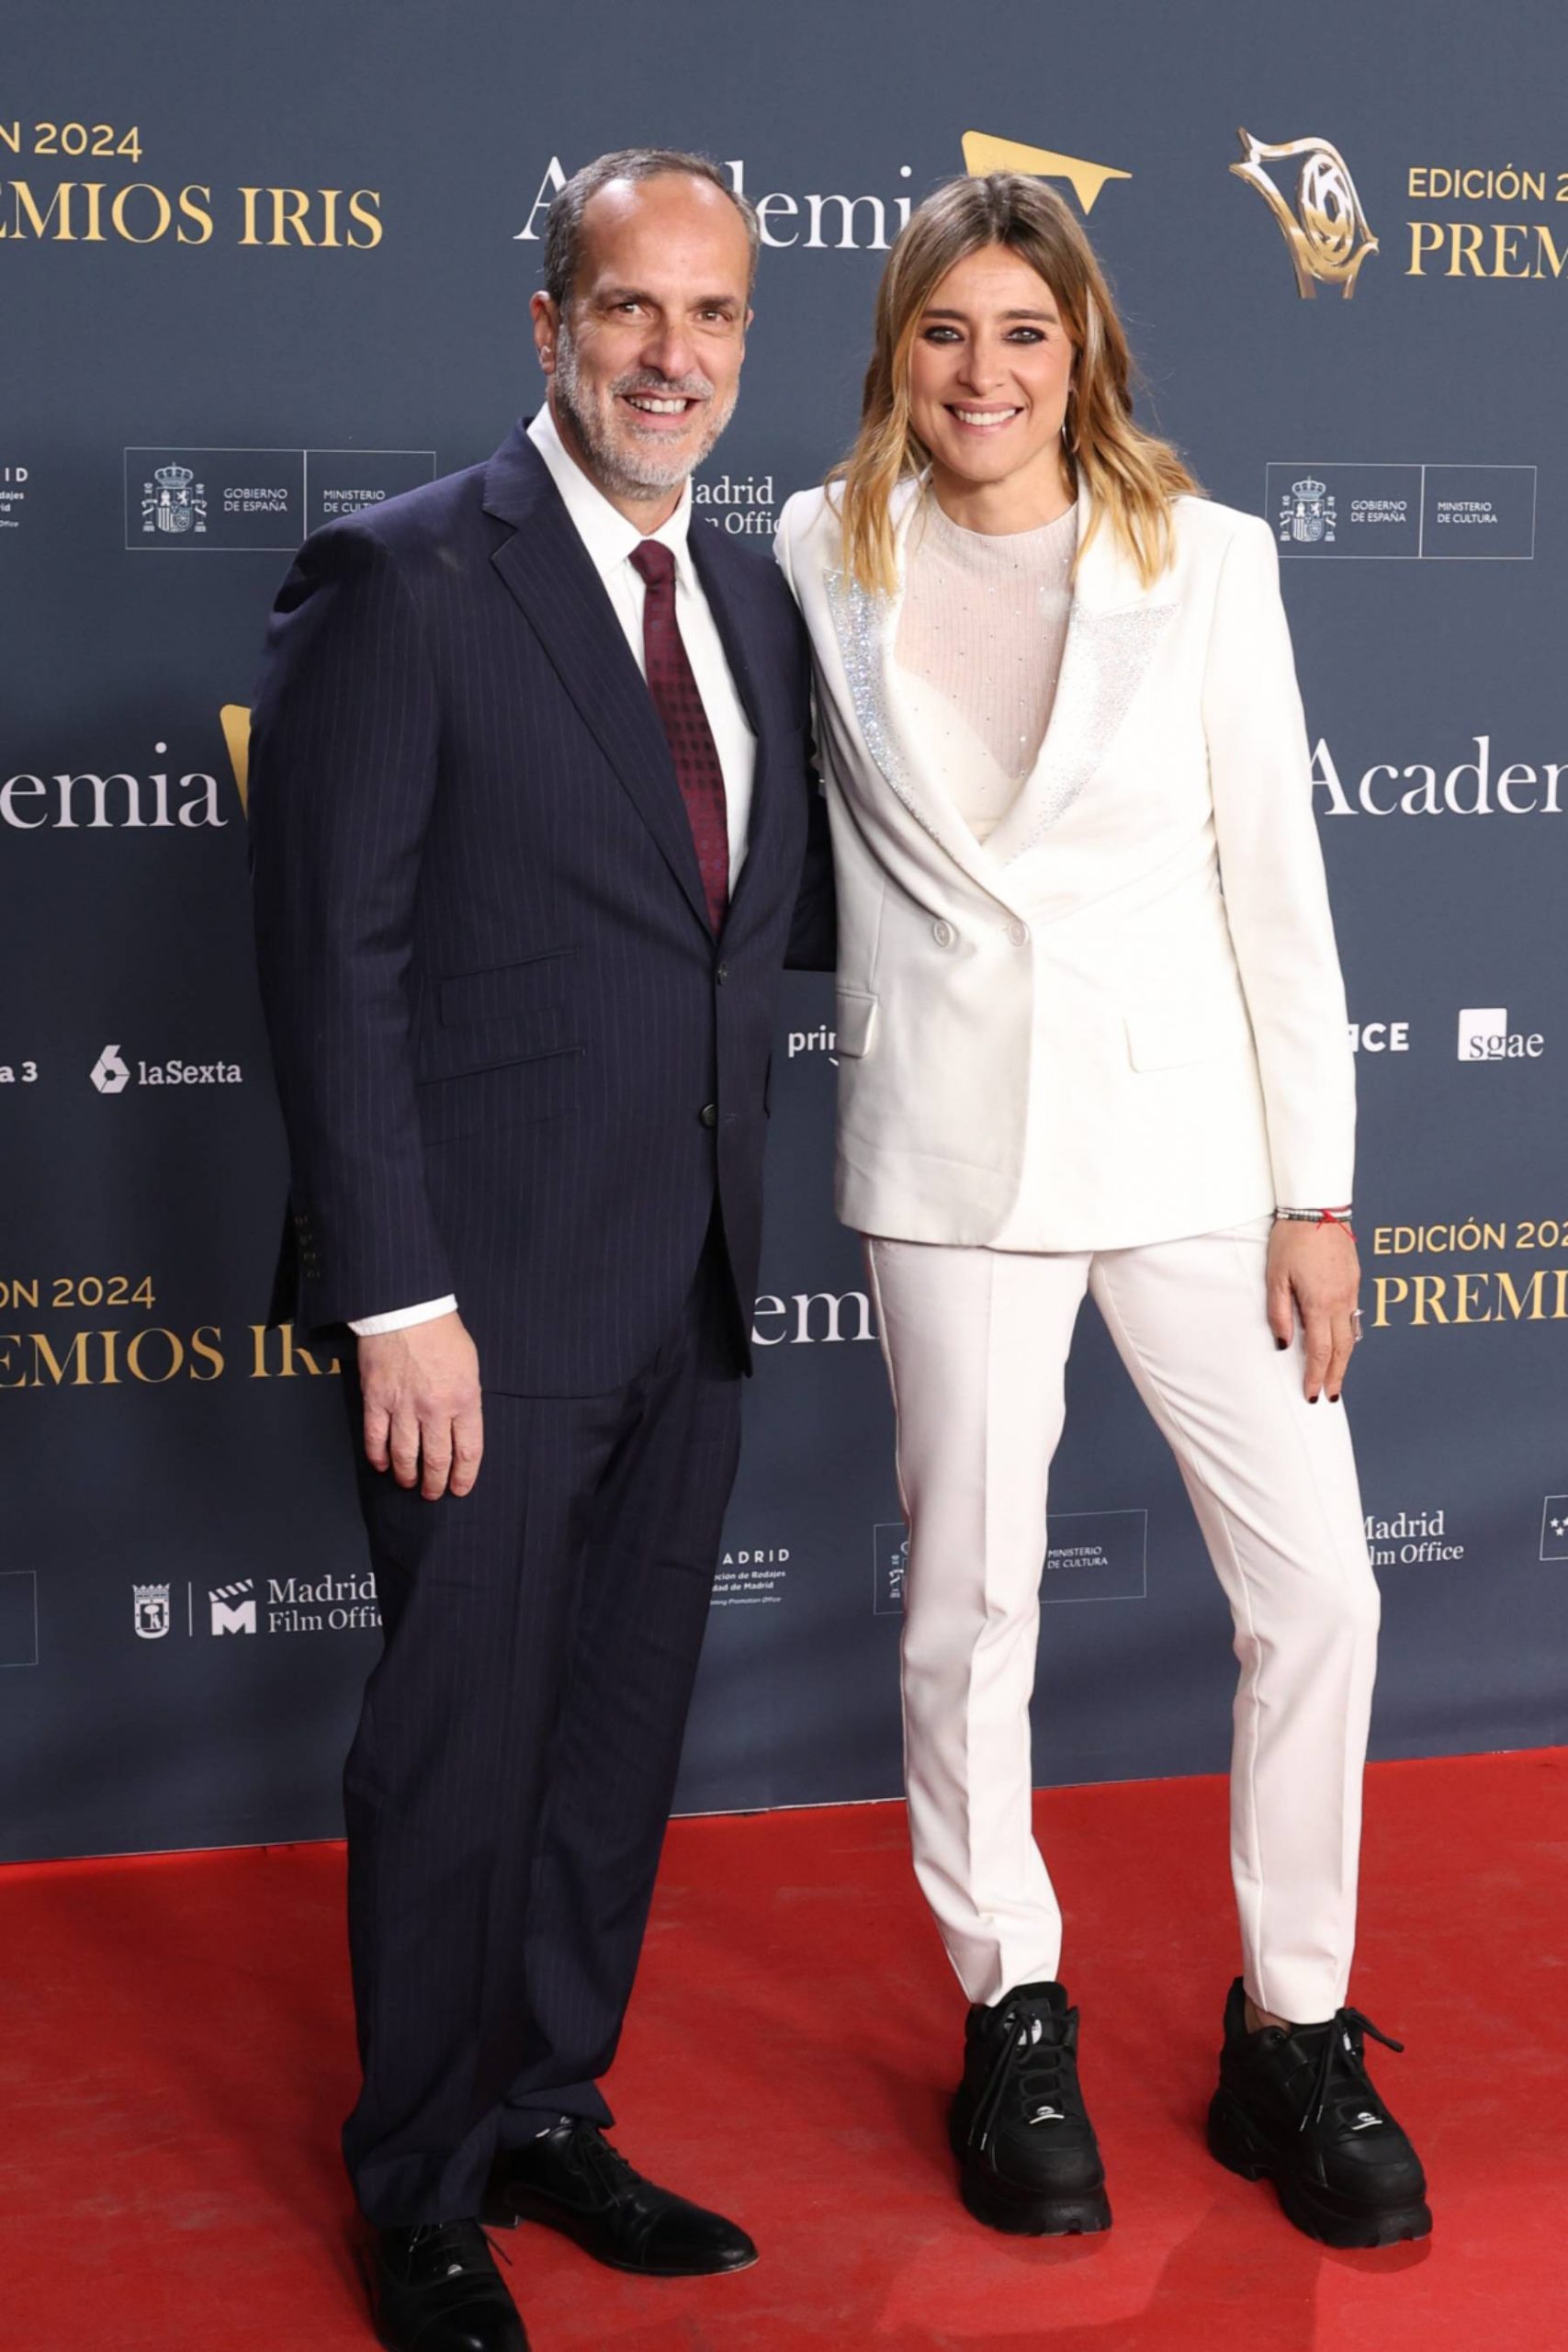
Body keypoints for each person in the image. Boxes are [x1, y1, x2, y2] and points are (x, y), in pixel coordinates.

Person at [774, 173, 1429, 2251]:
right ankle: (1010, 2005)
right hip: (948, 1156)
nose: (984, 371)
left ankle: (1291, 2025)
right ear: (896, 349)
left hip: (1188, 1153)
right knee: (969, 1602)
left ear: (1084, 354)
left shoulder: (1207, 561)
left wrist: (1313, 1193)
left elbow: (1280, 893)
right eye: (945, 331)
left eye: (1023, 334)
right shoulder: (814, 544)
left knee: (1317, 1588)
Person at [250, 148, 833, 2352]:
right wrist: (396, 1295)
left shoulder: (758, 597)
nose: (670, 357)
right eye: (627, 312)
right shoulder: (399, 580)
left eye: (710, 320)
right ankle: (414, 2179)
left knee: (607, 1740)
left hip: (687, 1276)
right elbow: (335, 964)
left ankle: (545, 2108)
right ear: (547, 330)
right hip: (475, 1308)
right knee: (456, 1748)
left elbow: (746, 920)